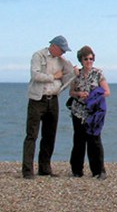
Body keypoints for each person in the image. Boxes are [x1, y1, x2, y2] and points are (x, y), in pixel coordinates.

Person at [22, 35, 76, 178]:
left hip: (53, 100)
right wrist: (53, 76)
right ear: (54, 46)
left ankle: (45, 168)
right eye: (62, 50)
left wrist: (70, 68)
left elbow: (69, 73)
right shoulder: (38, 56)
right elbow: (35, 75)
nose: (63, 53)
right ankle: (27, 170)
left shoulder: (61, 60)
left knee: (49, 135)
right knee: (32, 134)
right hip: (37, 99)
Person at [68, 45, 110, 178]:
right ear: (81, 60)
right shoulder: (77, 75)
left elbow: (107, 92)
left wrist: (94, 96)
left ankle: (98, 170)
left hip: (93, 112)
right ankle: (77, 170)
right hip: (78, 111)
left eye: (91, 59)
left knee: (94, 140)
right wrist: (79, 93)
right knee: (79, 141)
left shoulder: (98, 74)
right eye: (86, 59)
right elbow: (71, 92)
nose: (89, 61)